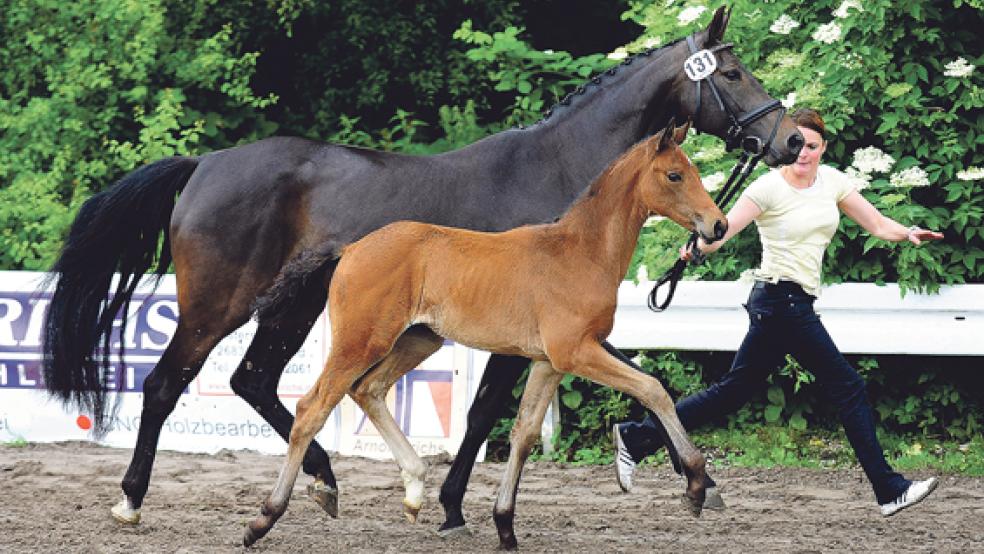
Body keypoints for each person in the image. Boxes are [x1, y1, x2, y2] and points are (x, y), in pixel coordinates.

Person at [612, 108, 943, 517]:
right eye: (798, 144)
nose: (804, 153)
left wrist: (908, 233)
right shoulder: (768, 188)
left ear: (824, 148)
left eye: (813, 146)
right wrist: (698, 247)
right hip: (779, 300)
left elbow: (876, 224)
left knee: (732, 392)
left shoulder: (833, 183)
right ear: (787, 145)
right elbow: (723, 231)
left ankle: (638, 437)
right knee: (849, 387)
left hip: (790, 302)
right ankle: (889, 488)